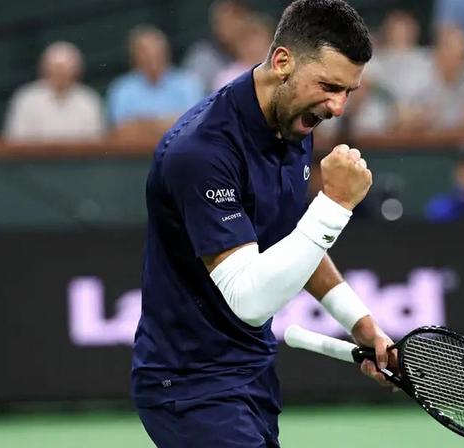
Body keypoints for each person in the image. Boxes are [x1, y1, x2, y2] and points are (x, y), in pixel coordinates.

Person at [132, 1, 394, 447]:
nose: (338, 106)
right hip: (189, 387)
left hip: (251, 374)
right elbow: (249, 299)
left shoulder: (294, 120)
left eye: (348, 91)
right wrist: (334, 206)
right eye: (330, 86)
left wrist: (361, 324)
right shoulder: (200, 153)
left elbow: (294, 243)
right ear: (282, 62)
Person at [107, 26, 203, 134]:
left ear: (167, 51)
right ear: (133, 55)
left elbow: (193, 123)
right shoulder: (122, 88)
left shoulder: (187, 82)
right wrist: (167, 122)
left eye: (157, 50)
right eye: (144, 51)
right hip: (135, 150)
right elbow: (120, 129)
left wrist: (142, 123)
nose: (151, 55)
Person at [4, 41, 105, 142]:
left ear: (76, 71)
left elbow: (96, 141)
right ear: (44, 69)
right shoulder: (26, 99)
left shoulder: (89, 100)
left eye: (64, 70)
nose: (59, 74)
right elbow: (15, 140)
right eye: (55, 69)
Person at [183, 0, 251, 91]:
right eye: (222, 21)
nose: (228, 26)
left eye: (233, 19)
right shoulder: (202, 58)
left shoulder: (257, 51)